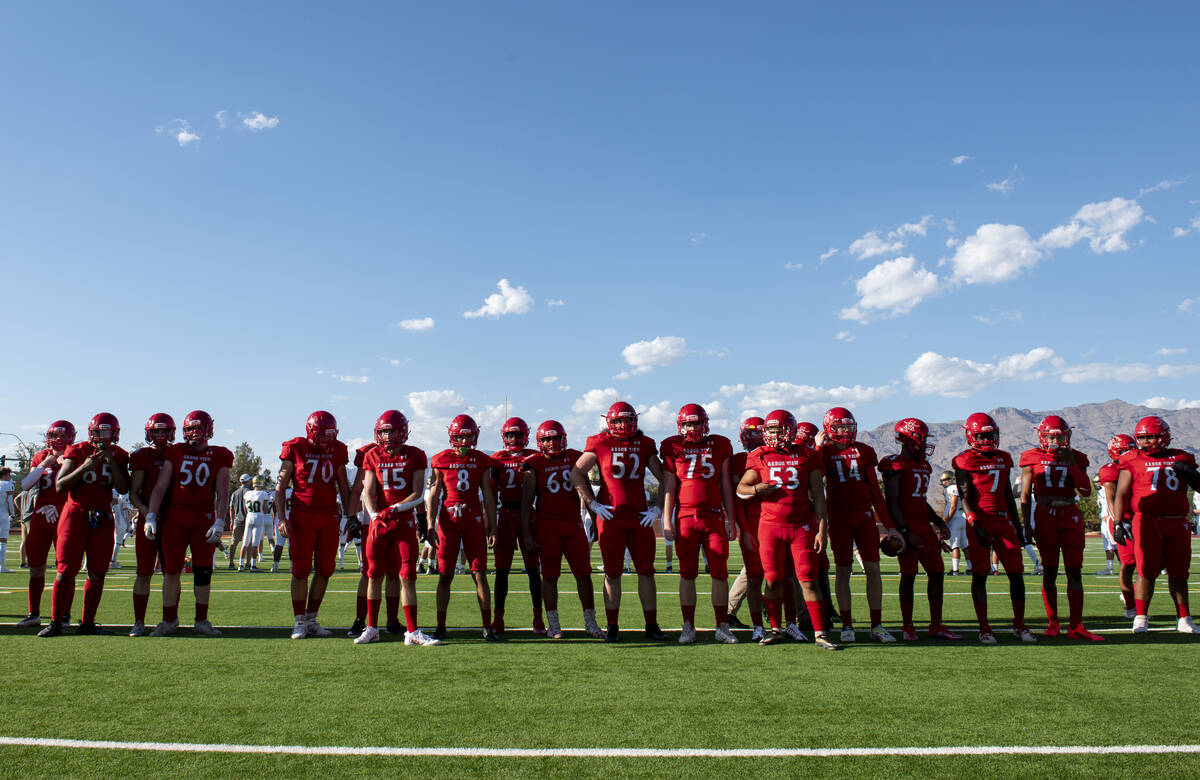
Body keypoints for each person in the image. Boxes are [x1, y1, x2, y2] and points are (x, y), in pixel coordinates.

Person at [736, 409, 838, 650]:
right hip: (769, 526)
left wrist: (822, 529)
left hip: (800, 526)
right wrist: (758, 490)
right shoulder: (759, 455)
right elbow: (742, 488)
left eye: (778, 429)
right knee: (771, 579)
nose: (774, 434)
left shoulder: (807, 454)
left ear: (791, 431)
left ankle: (820, 632)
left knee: (808, 579)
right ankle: (775, 629)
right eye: (770, 430)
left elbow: (819, 496)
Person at [572, 402, 668, 642]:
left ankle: (651, 624)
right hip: (610, 517)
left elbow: (665, 475)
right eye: (618, 421)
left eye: (627, 420)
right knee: (612, 573)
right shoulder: (599, 442)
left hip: (639, 518)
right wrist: (592, 504)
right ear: (609, 422)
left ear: (635, 421)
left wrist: (658, 508)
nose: (623, 425)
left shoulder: (645, 444)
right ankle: (613, 625)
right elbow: (576, 473)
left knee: (646, 572)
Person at [40, 413, 131, 636]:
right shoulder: (78, 451)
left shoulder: (119, 455)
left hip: (102, 515)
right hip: (75, 513)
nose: (102, 437)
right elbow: (60, 485)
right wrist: (84, 467)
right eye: (98, 432)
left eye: (106, 432)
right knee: (66, 569)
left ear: (115, 434)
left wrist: (111, 460)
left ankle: (88, 622)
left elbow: (123, 488)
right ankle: (56, 622)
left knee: (98, 571)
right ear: (91, 433)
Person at [144, 410, 232, 637]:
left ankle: (201, 620)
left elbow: (223, 493)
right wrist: (151, 515)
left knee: (203, 572)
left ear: (209, 429)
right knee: (171, 571)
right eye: (190, 429)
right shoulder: (176, 451)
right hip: (176, 518)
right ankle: (168, 619)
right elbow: (161, 486)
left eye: (198, 428)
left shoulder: (219, 454)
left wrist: (220, 520)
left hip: (203, 519)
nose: (194, 433)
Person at [817, 407, 898, 643]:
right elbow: (815, 475)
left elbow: (875, 491)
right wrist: (818, 448)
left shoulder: (864, 451)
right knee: (843, 570)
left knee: (873, 568)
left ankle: (876, 624)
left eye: (848, 426)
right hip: (839, 516)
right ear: (830, 428)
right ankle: (847, 624)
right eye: (841, 426)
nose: (846, 430)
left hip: (864, 516)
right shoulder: (824, 451)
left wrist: (889, 525)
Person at [952, 412, 1034, 645]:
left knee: (1016, 574)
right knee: (980, 575)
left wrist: (1018, 527)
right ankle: (984, 627)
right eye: (981, 435)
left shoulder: (1004, 458)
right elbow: (965, 496)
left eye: (990, 434)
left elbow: (1008, 495)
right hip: (980, 519)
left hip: (1004, 520)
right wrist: (975, 524)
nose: (987, 439)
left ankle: (1019, 624)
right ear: (971, 436)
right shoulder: (964, 460)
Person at [1113, 416, 1200, 634]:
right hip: (1146, 520)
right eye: (1142, 438)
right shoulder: (1131, 458)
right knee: (1145, 571)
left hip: (1177, 521)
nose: (1146, 442)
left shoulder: (1182, 457)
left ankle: (1184, 618)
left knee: (1179, 573)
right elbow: (1121, 492)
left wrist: (1191, 474)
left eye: (1151, 437)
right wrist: (1117, 522)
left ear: (1164, 437)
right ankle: (1140, 617)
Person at [659, 403, 738, 644]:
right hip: (685, 517)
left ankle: (722, 626)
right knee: (687, 574)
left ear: (706, 424)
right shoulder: (672, 446)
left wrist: (730, 519)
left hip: (713, 516)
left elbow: (725, 485)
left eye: (697, 423)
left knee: (719, 574)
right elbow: (670, 487)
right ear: (680, 425)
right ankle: (688, 626)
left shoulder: (720, 444)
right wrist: (667, 520)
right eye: (688, 423)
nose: (693, 428)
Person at [358, 410, 439, 645]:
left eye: (391, 430)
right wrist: (373, 515)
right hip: (379, 524)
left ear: (402, 431)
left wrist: (394, 508)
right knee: (374, 575)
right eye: (383, 431)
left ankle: (412, 631)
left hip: (403, 523)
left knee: (406, 577)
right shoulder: (372, 455)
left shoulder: (415, 455)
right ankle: (371, 627)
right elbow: (368, 491)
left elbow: (417, 494)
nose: (386, 435)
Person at [1019, 416, 1102, 640]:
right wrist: (1027, 525)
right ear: (1042, 437)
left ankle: (1076, 625)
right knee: (1049, 571)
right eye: (1051, 436)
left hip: (1070, 514)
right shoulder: (1031, 457)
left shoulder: (1077, 457)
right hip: (1045, 515)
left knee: (1075, 571)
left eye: (1060, 436)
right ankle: (1053, 623)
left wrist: (1072, 464)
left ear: (1068, 436)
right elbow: (1025, 495)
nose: (1056, 441)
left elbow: (1085, 490)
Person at [521, 420, 604, 639]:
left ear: (563, 438)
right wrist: (527, 532)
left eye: (556, 438)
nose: (552, 442)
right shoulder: (533, 463)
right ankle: (554, 625)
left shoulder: (575, 457)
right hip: (547, 525)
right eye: (547, 438)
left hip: (573, 523)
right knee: (549, 576)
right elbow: (527, 502)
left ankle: (590, 622)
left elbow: (585, 489)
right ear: (540, 441)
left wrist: (594, 519)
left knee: (584, 574)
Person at [880, 418, 960, 641]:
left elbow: (920, 499)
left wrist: (938, 521)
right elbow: (893, 502)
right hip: (908, 528)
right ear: (907, 440)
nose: (924, 444)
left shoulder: (924, 465)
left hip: (924, 526)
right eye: (921, 440)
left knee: (937, 574)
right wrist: (905, 531)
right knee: (909, 576)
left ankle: (936, 625)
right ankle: (908, 626)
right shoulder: (894, 464)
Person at [276, 411, 353, 639]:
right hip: (302, 515)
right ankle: (299, 620)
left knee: (325, 569)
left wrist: (349, 517)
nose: (327, 439)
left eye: (330, 434)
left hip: (329, 515)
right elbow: (280, 487)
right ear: (311, 431)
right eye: (323, 434)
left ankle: (311, 618)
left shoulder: (338, 449)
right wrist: (281, 518)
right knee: (300, 570)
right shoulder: (295, 447)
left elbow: (343, 486)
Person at [427, 414, 500, 640]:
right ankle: (441, 625)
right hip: (449, 519)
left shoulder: (483, 460)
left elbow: (488, 495)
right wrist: (430, 523)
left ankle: (486, 625)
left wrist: (493, 526)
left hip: (473, 519)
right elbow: (434, 493)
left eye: (468, 438)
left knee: (479, 573)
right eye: (460, 437)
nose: (465, 443)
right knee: (445, 575)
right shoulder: (440, 459)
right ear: (452, 437)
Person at [15, 421, 74, 629]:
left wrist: (62, 507)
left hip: (64, 514)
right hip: (41, 515)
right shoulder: (41, 456)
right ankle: (34, 613)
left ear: (71, 437)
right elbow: (26, 484)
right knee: (36, 566)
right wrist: (44, 465)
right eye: (54, 435)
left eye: (62, 435)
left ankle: (64, 615)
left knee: (65, 568)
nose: (58, 439)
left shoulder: (75, 455)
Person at [489, 417, 544, 635]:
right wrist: (490, 525)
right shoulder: (495, 460)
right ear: (504, 436)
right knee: (502, 571)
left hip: (529, 514)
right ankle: (498, 618)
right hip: (505, 515)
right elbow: (490, 494)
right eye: (510, 434)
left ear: (526, 435)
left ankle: (538, 618)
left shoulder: (536, 457)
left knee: (533, 570)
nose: (514, 438)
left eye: (517, 434)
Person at [127, 413, 174, 636]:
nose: (160, 435)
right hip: (149, 518)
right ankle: (139, 621)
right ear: (149, 433)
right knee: (144, 571)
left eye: (164, 431)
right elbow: (134, 493)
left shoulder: (178, 453)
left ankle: (169, 618)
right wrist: (148, 514)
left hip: (173, 519)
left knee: (171, 572)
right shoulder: (143, 455)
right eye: (156, 431)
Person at [727, 417, 766, 640]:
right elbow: (737, 496)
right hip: (754, 521)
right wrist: (742, 526)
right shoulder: (740, 460)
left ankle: (797, 616)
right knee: (755, 573)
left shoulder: (772, 456)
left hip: (770, 519)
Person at [940, 470, 970, 575]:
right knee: (964, 545)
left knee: (954, 545)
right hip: (962, 518)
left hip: (955, 519)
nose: (945, 483)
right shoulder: (958, 487)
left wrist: (946, 520)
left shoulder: (952, 488)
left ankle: (955, 569)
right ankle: (970, 567)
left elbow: (953, 506)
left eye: (947, 480)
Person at [242, 477, 274, 571]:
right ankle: (253, 565)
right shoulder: (264, 493)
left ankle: (240, 564)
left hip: (249, 517)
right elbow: (265, 509)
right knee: (256, 542)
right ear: (261, 483)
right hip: (259, 517)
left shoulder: (248, 493)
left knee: (245, 542)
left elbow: (246, 507)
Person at [227, 474, 252, 569]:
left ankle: (231, 563)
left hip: (237, 520)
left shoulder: (235, 493)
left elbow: (231, 507)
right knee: (248, 543)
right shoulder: (250, 492)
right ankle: (248, 563)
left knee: (234, 543)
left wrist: (231, 520)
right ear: (247, 481)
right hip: (248, 520)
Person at [0, 467, 14, 572]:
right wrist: (13, 514)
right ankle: (2, 566)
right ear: (5, 475)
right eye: (9, 475)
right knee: (3, 541)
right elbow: (10, 502)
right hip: (3, 514)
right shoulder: (7, 485)